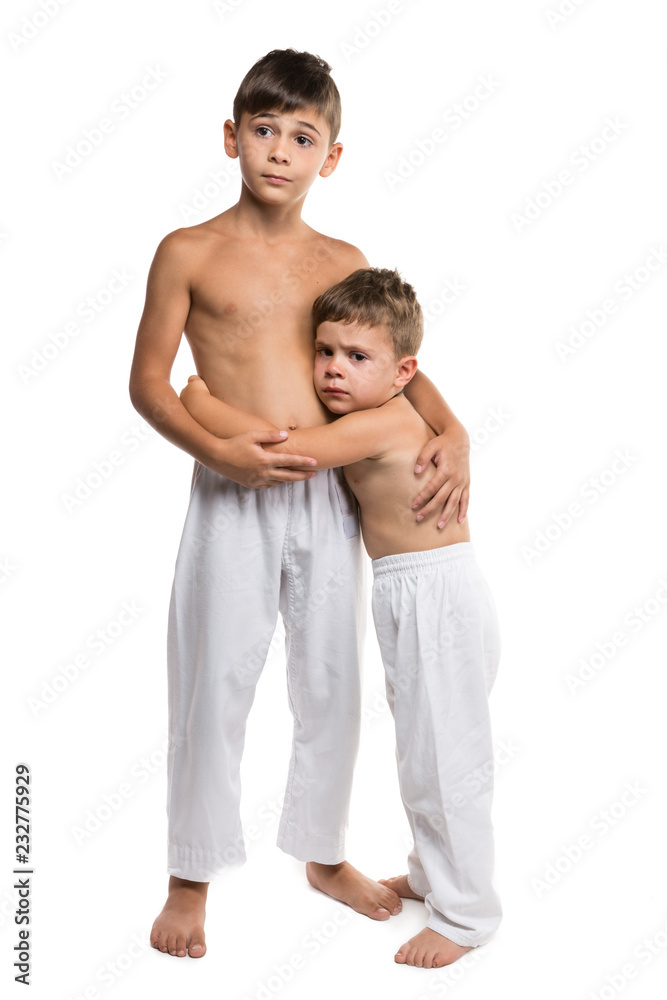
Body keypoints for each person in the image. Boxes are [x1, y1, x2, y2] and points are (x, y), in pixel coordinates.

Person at [129, 49, 471, 961]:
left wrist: (454, 431)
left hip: (330, 498)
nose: (280, 151)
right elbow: (150, 384)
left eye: (302, 136)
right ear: (232, 137)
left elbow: (397, 361)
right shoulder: (188, 251)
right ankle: (189, 874)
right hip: (229, 496)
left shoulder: (340, 259)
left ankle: (321, 854)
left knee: (333, 685)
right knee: (211, 680)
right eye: (265, 131)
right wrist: (216, 449)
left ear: (332, 156)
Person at [179, 266, 502, 970]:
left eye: (356, 359)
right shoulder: (369, 411)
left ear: (401, 372)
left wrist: (199, 398)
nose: (331, 370)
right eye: (323, 352)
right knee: (422, 746)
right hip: (407, 594)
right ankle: (429, 874)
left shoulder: (382, 420)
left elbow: (287, 449)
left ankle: (468, 914)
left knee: (449, 755)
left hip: (434, 597)